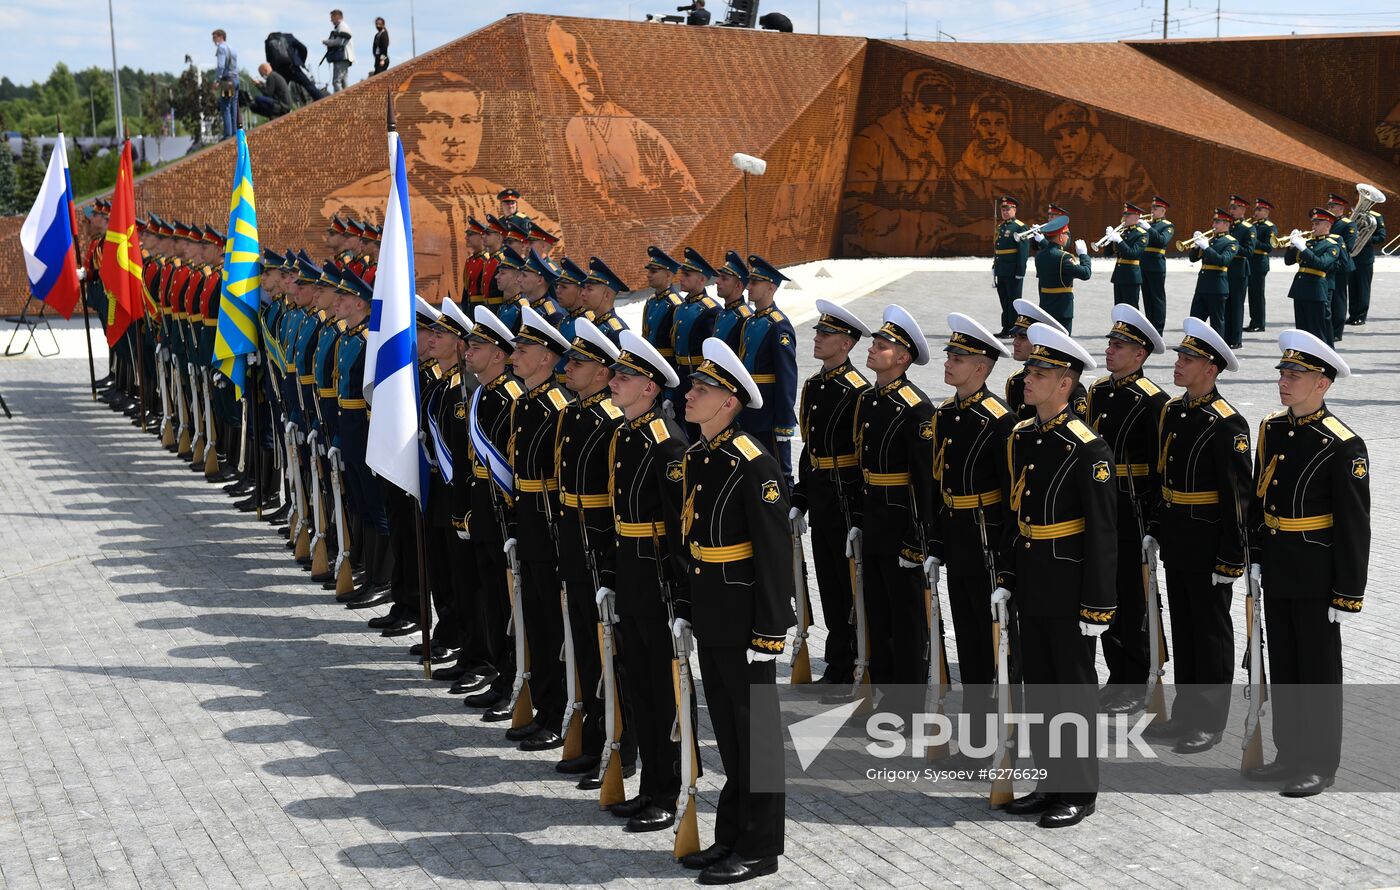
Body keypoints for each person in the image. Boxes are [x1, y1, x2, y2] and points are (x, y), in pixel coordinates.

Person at [673, 338, 792, 884]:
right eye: (693, 386)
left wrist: (769, 630)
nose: (689, 395)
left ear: (728, 402)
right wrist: (685, 607)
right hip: (714, 609)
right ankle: (730, 837)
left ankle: (761, 846)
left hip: (746, 616)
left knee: (756, 737)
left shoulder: (755, 464)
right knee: (728, 732)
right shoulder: (700, 455)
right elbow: (689, 541)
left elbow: (774, 555)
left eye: (701, 390)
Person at [993, 323, 1115, 829]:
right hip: (1032, 576)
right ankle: (1047, 783)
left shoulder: (1089, 451)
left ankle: (1078, 791)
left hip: (1069, 583)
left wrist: (1098, 606)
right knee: (1039, 688)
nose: (1028, 378)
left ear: (1065, 382)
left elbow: (1104, 534)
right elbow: (1012, 512)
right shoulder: (1022, 436)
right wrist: (1005, 573)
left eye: (1040, 373)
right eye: (1029, 370)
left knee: (1072, 691)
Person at [1245, 330, 1369, 798]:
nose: (1285, 380)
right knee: (1287, 666)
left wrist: (1348, 593)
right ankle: (1289, 753)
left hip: (1317, 573)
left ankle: (1319, 762)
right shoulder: (1273, 428)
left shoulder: (1343, 445)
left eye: (1296, 374)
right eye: (1283, 371)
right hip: (1278, 567)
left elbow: (1355, 526)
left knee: (1317, 672)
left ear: (1323, 383)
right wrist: (1255, 556)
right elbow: (1260, 500)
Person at [1143, 317, 1250, 755]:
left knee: (1210, 633)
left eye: (1188, 359)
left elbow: (1238, 497)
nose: (1179, 364)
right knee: (1184, 629)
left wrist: (1231, 558)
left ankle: (1209, 719)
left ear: (1211, 368)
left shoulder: (1229, 424)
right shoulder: (1173, 410)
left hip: (1209, 542)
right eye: (1180, 357)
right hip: (1178, 537)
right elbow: (1160, 475)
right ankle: (1185, 711)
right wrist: (1153, 528)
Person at [598, 330, 688, 831]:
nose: (614, 381)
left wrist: (679, 596)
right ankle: (650, 785)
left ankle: (668, 791)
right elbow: (617, 513)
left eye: (624, 377)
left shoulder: (667, 444)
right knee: (637, 685)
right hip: (631, 571)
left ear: (650, 389)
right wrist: (612, 573)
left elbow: (678, 529)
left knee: (662, 690)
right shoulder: (626, 432)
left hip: (656, 576)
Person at [926, 312, 1014, 766]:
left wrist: (1004, 556)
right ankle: (979, 739)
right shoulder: (946, 414)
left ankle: (1004, 737)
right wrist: (936, 544)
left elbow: (1011, 496)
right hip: (959, 539)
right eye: (949, 355)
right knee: (970, 644)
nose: (949, 362)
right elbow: (939, 486)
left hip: (987, 542)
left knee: (994, 646)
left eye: (958, 357)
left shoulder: (1001, 421)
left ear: (981, 367)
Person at [555, 318, 633, 787]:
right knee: (584, 645)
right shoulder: (573, 413)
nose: (570, 368)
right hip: (573, 542)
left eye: (579, 363)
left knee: (613, 656)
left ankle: (620, 743)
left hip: (602, 548)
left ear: (603, 375)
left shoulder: (611, 424)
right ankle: (593, 737)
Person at [1085, 304, 1168, 714]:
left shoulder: (1155, 401)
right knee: (1106, 593)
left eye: (1120, 346)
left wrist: (1154, 519)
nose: (1111, 351)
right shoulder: (1098, 391)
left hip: (1133, 508)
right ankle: (1117, 675)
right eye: (1110, 343)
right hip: (1103, 506)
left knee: (1134, 599)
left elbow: (1160, 466)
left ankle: (1137, 680)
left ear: (1140, 355)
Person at [848, 305, 934, 689]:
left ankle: (910, 694)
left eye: (881, 346)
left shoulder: (916, 408)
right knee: (877, 610)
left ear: (902, 357)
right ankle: (882, 685)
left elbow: (927, 481)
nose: (872, 349)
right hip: (874, 514)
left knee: (907, 616)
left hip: (901, 520)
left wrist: (917, 540)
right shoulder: (869, 398)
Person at [501, 306, 575, 751]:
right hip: (528, 518)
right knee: (536, 621)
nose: (514, 356)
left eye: (523, 350)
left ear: (547, 358)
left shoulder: (556, 407)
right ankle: (545, 707)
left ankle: (560, 712)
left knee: (553, 623)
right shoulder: (526, 401)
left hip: (549, 527)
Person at [791, 300, 870, 689]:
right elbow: (810, 448)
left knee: (849, 585)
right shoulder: (814, 385)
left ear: (847, 344)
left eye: (827, 335)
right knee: (829, 585)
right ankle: (838, 662)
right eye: (818, 332)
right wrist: (800, 497)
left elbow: (862, 455)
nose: (818, 339)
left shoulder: (857, 391)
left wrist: (857, 513)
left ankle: (856, 661)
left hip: (845, 498)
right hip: (821, 496)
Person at [460, 308, 526, 713]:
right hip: (483, 511)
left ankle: (517, 680)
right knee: (491, 600)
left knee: (509, 607)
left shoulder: (510, 398)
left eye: (477, 346)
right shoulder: (483, 392)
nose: (468, 351)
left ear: (500, 355)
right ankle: (503, 675)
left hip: (504, 514)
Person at [736, 255, 798, 485]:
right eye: (749, 281)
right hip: (749, 410)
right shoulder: (751, 321)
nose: (748, 287)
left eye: (755, 283)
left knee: (777, 473)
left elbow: (787, 377)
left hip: (768, 413)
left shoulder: (778, 325)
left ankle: (786, 517)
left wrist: (784, 421)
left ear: (771, 286)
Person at [1003, 299, 1087, 421]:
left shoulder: (1069, 388)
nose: (1015, 343)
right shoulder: (1015, 381)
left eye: (1022, 337)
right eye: (1015, 336)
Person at [1282, 208, 1342, 345]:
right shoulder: (1308, 243)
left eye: (1317, 224)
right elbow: (1288, 261)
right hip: (1300, 289)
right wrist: (1292, 246)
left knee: (1319, 330)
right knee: (1302, 331)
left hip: (1316, 291)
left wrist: (1303, 249)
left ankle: (1325, 361)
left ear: (1328, 225)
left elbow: (1321, 263)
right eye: (1313, 223)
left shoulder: (1332, 246)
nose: (1313, 227)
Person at [1032, 215, 1090, 334]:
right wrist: (1084, 255)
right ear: (1060, 237)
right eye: (1066, 234)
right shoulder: (1064, 257)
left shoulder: (1040, 255)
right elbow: (1085, 273)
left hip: (1045, 305)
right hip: (1062, 308)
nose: (1068, 237)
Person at [1186, 208, 1240, 335]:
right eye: (1214, 221)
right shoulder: (1210, 240)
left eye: (1217, 222)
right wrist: (1197, 246)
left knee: (1217, 323)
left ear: (1227, 224)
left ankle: (1217, 351)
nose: (1213, 225)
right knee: (1195, 320)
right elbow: (1193, 259)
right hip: (1202, 285)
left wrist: (1206, 247)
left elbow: (1223, 260)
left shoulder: (1231, 242)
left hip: (1217, 287)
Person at [991, 195, 1030, 338]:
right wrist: (995, 266)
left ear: (1015, 210)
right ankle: (1006, 327)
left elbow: (1023, 252)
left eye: (1008, 209)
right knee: (1004, 300)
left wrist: (1020, 271)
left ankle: (1015, 328)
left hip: (1013, 270)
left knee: (1014, 301)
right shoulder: (1001, 227)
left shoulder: (1020, 227)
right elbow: (998, 249)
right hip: (1002, 269)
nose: (1005, 212)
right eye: (1003, 209)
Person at [1100, 202, 1149, 310]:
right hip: (1119, 275)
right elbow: (1107, 254)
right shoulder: (1122, 232)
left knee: (1131, 308)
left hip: (1131, 276)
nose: (1124, 217)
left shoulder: (1142, 234)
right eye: (1124, 215)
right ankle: (1119, 327)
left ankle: (1133, 328)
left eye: (1128, 215)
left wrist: (1119, 240)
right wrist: (1110, 238)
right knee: (1119, 308)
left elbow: (1132, 254)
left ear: (1136, 217)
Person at [1323, 193, 1357, 343]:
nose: (1329, 208)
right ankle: (1327, 328)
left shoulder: (1348, 224)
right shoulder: (1326, 221)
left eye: (1332, 206)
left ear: (1341, 208)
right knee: (1328, 298)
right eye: (1328, 206)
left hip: (1341, 266)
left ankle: (1337, 332)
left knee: (1339, 298)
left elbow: (1349, 246)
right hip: (1328, 264)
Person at [1223, 195, 1255, 349]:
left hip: (1238, 271)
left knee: (1236, 305)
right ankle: (1224, 336)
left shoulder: (1248, 228)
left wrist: (1232, 245)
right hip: (1225, 270)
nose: (1231, 210)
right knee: (1224, 306)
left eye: (1234, 208)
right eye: (1230, 207)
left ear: (1243, 210)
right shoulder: (1228, 226)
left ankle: (1235, 339)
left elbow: (1249, 251)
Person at [1347, 200, 1385, 326]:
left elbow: (1381, 236)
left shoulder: (1376, 217)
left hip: (1365, 258)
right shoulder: (1351, 214)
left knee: (1363, 288)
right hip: (1351, 257)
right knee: (1352, 287)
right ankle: (1352, 315)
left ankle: (1361, 317)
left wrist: (1365, 237)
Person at [1141, 196, 1174, 334]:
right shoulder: (1147, 223)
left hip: (1156, 264)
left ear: (1163, 210)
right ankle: (1149, 328)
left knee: (1157, 297)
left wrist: (1148, 228)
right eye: (1152, 208)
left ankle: (1158, 329)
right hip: (1143, 263)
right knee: (1146, 297)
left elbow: (1162, 241)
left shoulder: (1167, 225)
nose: (1152, 210)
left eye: (1156, 208)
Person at [1246, 198, 1278, 333]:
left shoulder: (1270, 227)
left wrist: (1254, 241)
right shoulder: (1253, 225)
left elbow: (1269, 247)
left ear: (1266, 212)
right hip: (1250, 262)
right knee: (1251, 294)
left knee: (1258, 295)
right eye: (1256, 209)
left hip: (1259, 263)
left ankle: (1260, 323)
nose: (1256, 212)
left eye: (1259, 210)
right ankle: (1253, 322)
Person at [713, 252, 752, 347]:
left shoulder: (746, 318)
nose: (717, 281)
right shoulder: (722, 313)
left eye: (724, 278)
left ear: (738, 286)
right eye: (719, 277)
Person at [212, 30, 238, 140]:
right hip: (236, 79)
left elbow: (221, 66)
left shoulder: (221, 48)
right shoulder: (232, 48)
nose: (213, 40)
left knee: (225, 107)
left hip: (227, 80)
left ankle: (228, 135)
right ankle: (235, 133)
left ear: (220, 36)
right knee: (234, 106)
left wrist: (217, 80)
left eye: (214, 37)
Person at [323, 9, 354, 92]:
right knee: (344, 81)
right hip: (345, 56)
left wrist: (327, 42)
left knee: (336, 81)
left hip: (342, 56)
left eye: (332, 18)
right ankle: (347, 100)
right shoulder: (343, 26)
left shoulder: (342, 26)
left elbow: (339, 42)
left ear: (337, 17)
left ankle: (340, 101)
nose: (331, 20)